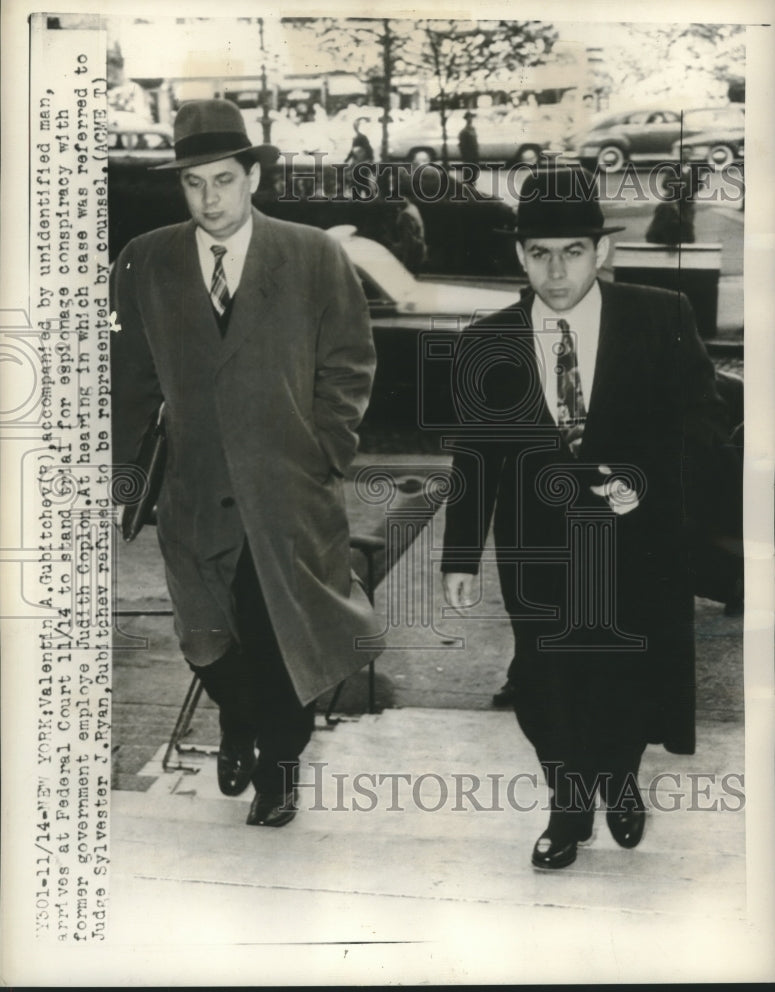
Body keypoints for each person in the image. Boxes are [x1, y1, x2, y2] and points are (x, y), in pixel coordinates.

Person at [441, 166, 728, 870]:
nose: (555, 269)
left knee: (625, 673)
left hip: (635, 537)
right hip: (535, 544)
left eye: (571, 251)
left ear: (600, 252)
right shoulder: (488, 341)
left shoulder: (660, 316)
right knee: (543, 682)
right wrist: (458, 557)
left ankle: (619, 778)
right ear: (518, 255)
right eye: (538, 253)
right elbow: (475, 457)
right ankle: (567, 806)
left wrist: (647, 482)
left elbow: (706, 417)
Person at [111, 99, 383, 828]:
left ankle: (279, 773)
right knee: (206, 638)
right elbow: (125, 378)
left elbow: (350, 360)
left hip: (288, 491)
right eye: (194, 183)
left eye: (223, 180)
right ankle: (237, 720)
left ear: (252, 176)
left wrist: (326, 447)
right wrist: (125, 481)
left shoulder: (312, 254)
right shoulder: (147, 259)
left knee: (281, 638)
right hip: (194, 490)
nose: (210, 199)